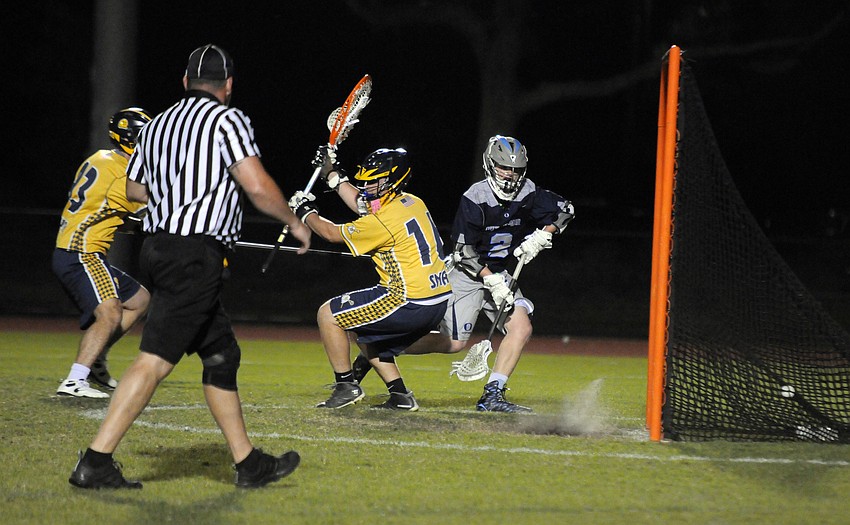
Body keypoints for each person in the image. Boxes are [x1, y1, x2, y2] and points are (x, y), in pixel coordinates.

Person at [69, 44, 311, 490]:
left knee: (221, 354)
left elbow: (135, 188)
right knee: (154, 359)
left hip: (158, 248)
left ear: (185, 82)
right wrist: (294, 222)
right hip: (193, 254)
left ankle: (248, 464)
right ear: (228, 86)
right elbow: (256, 185)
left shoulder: (158, 124)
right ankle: (96, 461)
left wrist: (176, 192)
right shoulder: (226, 119)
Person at [353, 135, 574, 413]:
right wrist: (490, 279)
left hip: (501, 273)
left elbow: (565, 210)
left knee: (522, 327)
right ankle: (382, 348)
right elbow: (463, 252)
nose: (510, 175)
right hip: (468, 274)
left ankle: (492, 394)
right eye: (504, 167)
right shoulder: (475, 197)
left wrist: (542, 235)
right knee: (454, 343)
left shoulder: (528, 191)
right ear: (489, 164)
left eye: (516, 169)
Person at [289, 146, 452, 411]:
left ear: (393, 179)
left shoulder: (384, 220)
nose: (367, 186)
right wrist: (332, 175)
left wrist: (305, 212)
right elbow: (362, 204)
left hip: (408, 299)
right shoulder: (411, 202)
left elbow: (331, 233)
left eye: (375, 181)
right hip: (436, 299)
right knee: (368, 333)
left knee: (328, 315)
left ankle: (346, 386)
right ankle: (400, 396)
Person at [53, 108, 153, 399]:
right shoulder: (120, 171)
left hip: (77, 248)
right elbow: (150, 212)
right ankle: (75, 380)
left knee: (139, 300)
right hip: (81, 252)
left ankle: (96, 359)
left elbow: (107, 212)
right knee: (109, 313)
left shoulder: (99, 159)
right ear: (131, 140)